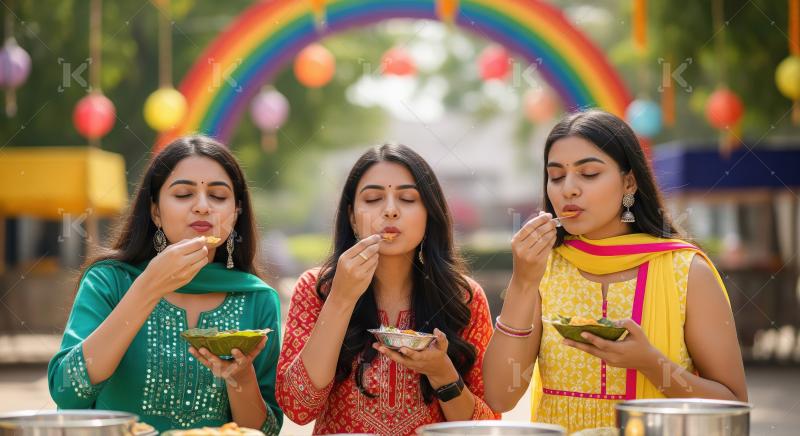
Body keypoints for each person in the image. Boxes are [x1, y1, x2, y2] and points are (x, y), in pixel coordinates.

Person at [482, 110, 748, 433]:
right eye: (556, 176)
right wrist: (523, 282)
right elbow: (499, 396)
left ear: (629, 182)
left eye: (589, 174)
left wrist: (650, 363)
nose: (569, 189)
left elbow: (733, 405)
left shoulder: (686, 272)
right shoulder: (543, 270)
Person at [48, 136, 282, 434]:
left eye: (218, 197)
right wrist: (148, 288)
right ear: (155, 211)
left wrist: (241, 377)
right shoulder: (110, 281)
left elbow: (267, 431)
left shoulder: (256, 298)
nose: (202, 207)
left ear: (236, 213)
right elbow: (68, 390)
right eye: (183, 194)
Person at [275, 144, 499, 436]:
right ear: (352, 216)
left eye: (407, 199)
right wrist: (341, 299)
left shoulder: (463, 298)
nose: (390, 211)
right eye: (373, 198)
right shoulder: (317, 289)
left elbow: (489, 427)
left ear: (429, 214)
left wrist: (441, 372)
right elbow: (297, 407)